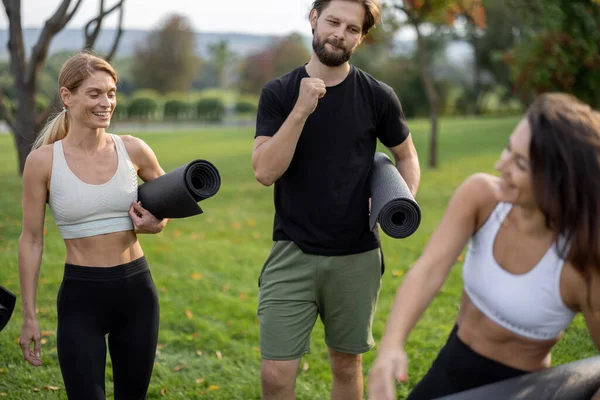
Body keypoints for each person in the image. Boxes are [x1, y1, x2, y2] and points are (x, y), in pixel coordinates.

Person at [367, 93, 600, 400]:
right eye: (508, 148)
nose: (500, 164)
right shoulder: (481, 196)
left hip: (519, 390)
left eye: (519, 163)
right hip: (451, 367)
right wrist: (390, 348)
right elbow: (428, 270)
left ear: (558, 181)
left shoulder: (580, 263)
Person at [251, 1, 421, 399]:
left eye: (351, 28)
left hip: (356, 255)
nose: (339, 34)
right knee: (275, 374)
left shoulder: (377, 95)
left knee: (347, 365)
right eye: (332, 21)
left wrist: (397, 200)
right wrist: (301, 110)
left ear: (361, 38)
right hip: (291, 250)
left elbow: (407, 155)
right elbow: (264, 171)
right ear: (314, 19)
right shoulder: (279, 93)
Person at [18, 52, 168, 400]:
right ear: (67, 97)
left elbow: (171, 200)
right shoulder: (42, 162)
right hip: (81, 299)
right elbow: (30, 241)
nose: (106, 103)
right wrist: (28, 316)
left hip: (137, 294)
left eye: (112, 92)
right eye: (95, 93)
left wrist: (158, 221)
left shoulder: (133, 149)